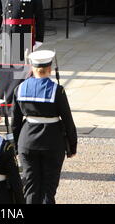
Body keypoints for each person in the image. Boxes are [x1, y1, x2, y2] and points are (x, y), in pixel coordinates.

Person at [11, 50, 77, 204]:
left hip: (27, 141)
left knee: (31, 186)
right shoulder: (57, 90)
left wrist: (15, 146)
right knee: (48, 188)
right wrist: (72, 146)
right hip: (52, 142)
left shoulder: (19, 89)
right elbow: (68, 120)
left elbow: (15, 122)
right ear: (50, 69)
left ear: (32, 68)